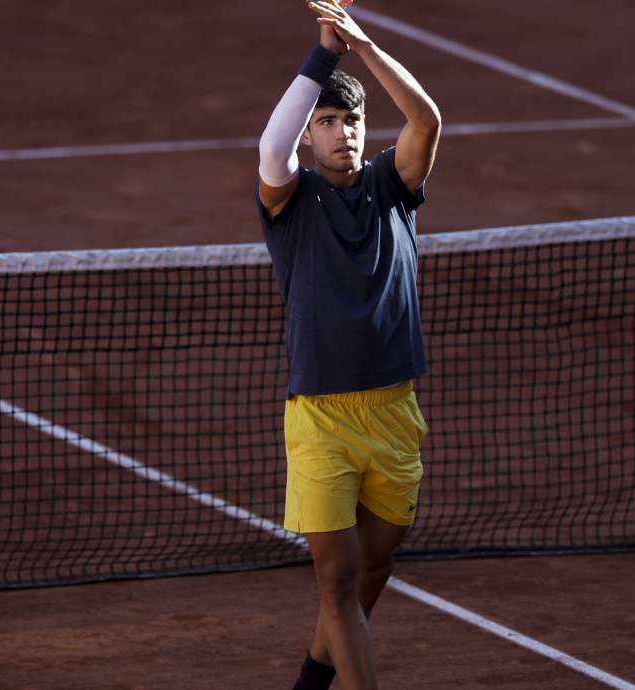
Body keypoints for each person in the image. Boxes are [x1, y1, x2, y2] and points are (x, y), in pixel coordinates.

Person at [256, 1, 442, 688]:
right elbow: (271, 149)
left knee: (374, 572)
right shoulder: (290, 200)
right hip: (322, 422)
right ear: (312, 138)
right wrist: (324, 55)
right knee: (336, 584)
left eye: (351, 121)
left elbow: (426, 120)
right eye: (327, 124)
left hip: (395, 413)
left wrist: (364, 47)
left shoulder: (396, 185)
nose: (342, 134)